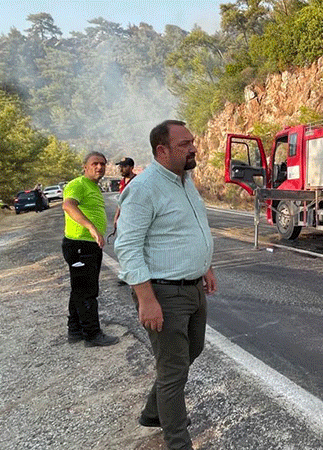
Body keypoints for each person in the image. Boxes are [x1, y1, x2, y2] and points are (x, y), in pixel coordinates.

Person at [115, 120, 216, 450]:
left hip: (192, 287)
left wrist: (207, 266)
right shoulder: (143, 188)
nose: (193, 148)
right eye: (185, 144)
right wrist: (146, 298)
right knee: (173, 372)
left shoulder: (184, 181)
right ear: (162, 150)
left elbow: (190, 228)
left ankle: (152, 412)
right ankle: (178, 442)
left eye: (193, 141)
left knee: (192, 350)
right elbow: (127, 246)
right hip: (164, 292)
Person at [61, 152, 120, 347]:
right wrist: (91, 227)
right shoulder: (78, 184)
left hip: (88, 246)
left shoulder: (93, 187)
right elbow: (68, 205)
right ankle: (92, 335)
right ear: (85, 167)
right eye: (95, 164)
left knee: (79, 289)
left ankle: (75, 330)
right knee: (87, 291)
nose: (99, 167)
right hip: (80, 244)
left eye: (103, 164)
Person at [111, 157, 136, 237]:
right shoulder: (122, 181)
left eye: (124, 167)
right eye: (120, 167)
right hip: (123, 217)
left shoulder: (137, 181)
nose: (121, 169)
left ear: (132, 168)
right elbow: (120, 201)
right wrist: (116, 216)